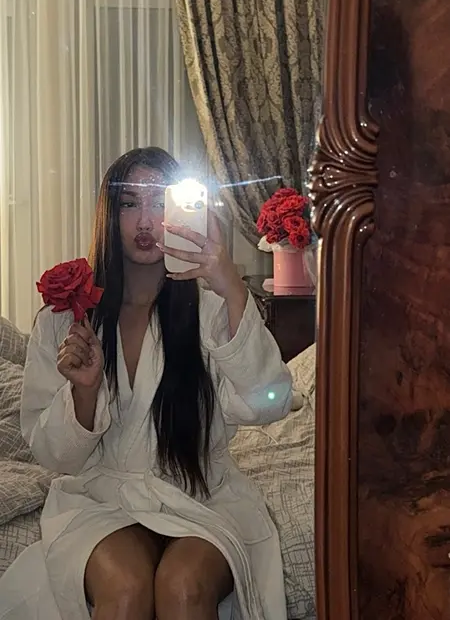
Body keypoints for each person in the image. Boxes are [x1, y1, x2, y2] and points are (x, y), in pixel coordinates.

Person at [0, 147, 292, 620]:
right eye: (129, 203)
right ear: (109, 214)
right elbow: (54, 456)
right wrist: (84, 391)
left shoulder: (211, 310)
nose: (145, 220)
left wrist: (232, 287)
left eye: (160, 202)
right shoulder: (67, 321)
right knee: (126, 588)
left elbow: (269, 402)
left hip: (202, 493)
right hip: (102, 498)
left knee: (183, 586)